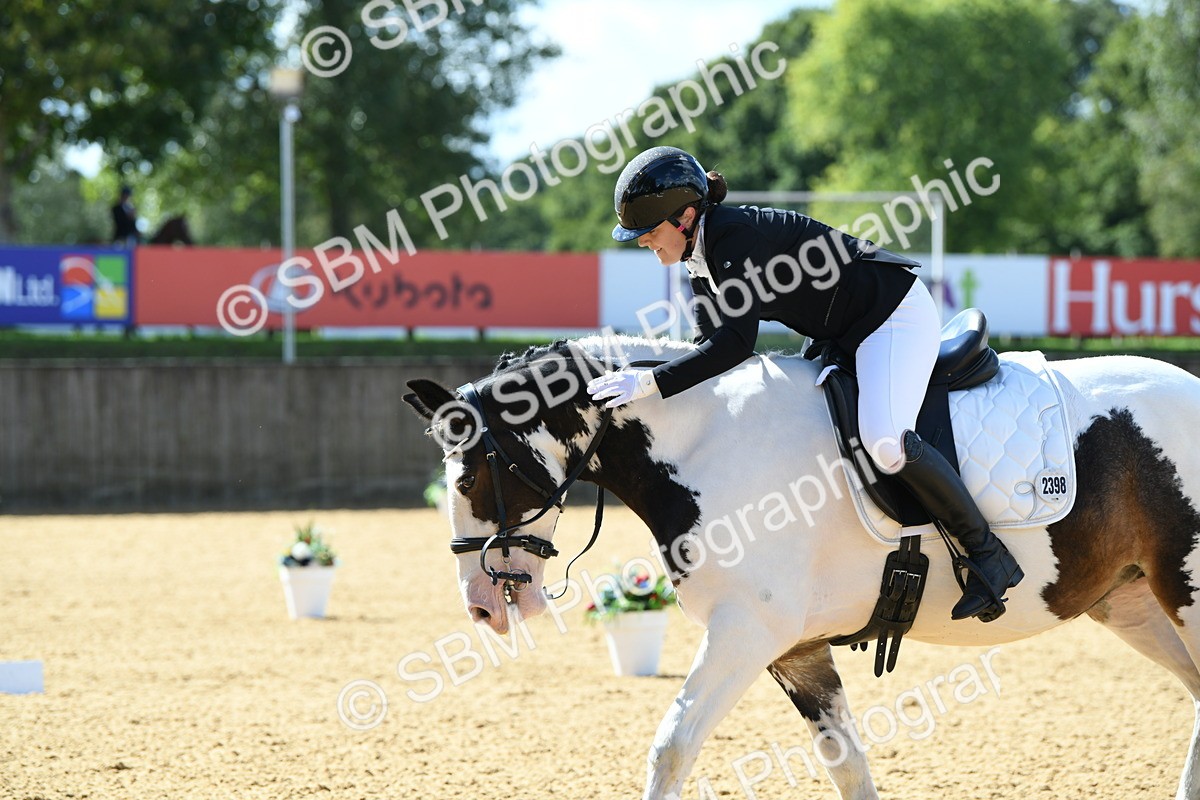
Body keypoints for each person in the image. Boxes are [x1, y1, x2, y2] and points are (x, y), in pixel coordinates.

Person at [586, 145, 1023, 622]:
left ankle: (987, 554)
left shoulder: (733, 237)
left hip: (891, 316)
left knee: (884, 441)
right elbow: (707, 349)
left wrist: (649, 383)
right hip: (846, 333)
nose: (644, 243)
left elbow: (733, 346)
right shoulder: (700, 259)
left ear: (685, 217)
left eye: (648, 232)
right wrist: (645, 385)